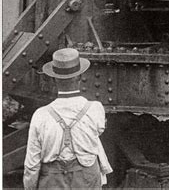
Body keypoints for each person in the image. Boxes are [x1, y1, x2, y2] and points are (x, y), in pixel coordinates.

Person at [23, 48, 112, 189]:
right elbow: (99, 130)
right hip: (86, 178)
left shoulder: (40, 115)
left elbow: (32, 165)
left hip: (52, 180)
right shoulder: (96, 108)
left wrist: (30, 187)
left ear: (53, 79)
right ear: (80, 76)